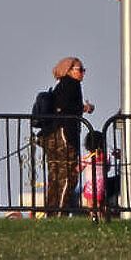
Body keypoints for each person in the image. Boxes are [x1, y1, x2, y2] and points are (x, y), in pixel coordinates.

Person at [39, 56, 95, 215]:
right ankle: (59, 212)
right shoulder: (72, 85)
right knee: (68, 176)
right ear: (69, 70)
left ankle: (51, 211)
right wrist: (84, 108)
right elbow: (66, 107)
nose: (83, 73)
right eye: (80, 70)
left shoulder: (60, 86)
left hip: (52, 135)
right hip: (64, 135)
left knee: (55, 175)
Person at [79, 131, 108, 219]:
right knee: (101, 203)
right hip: (102, 184)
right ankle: (104, 218)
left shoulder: (87, 157)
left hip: (91, 185)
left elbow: (79, 169)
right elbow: (108, 167)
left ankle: (95, 218)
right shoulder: (105, 157)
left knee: (91, 204)